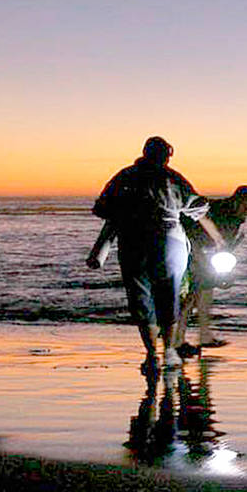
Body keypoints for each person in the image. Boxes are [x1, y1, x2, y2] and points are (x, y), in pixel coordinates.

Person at [88, 137, 225, 375]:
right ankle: (169, 351)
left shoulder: (125, 176)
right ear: (166, 156)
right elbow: (198, 209)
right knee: (169, 295)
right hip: (169, 241)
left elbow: (101, 208)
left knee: (141, 299)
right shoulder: (173, 178)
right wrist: (218, 239)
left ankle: (152, 355)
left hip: (133, 242)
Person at [175, 185, 247, 357]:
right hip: (185, 248)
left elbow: (225, 246)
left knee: (204, 292)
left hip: (202, 253)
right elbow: (194, 234)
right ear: (237, 201)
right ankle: (177, 341)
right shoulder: (217, 211)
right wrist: (200, 260)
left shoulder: (235, 218)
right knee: (189, 297)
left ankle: (203, 335)